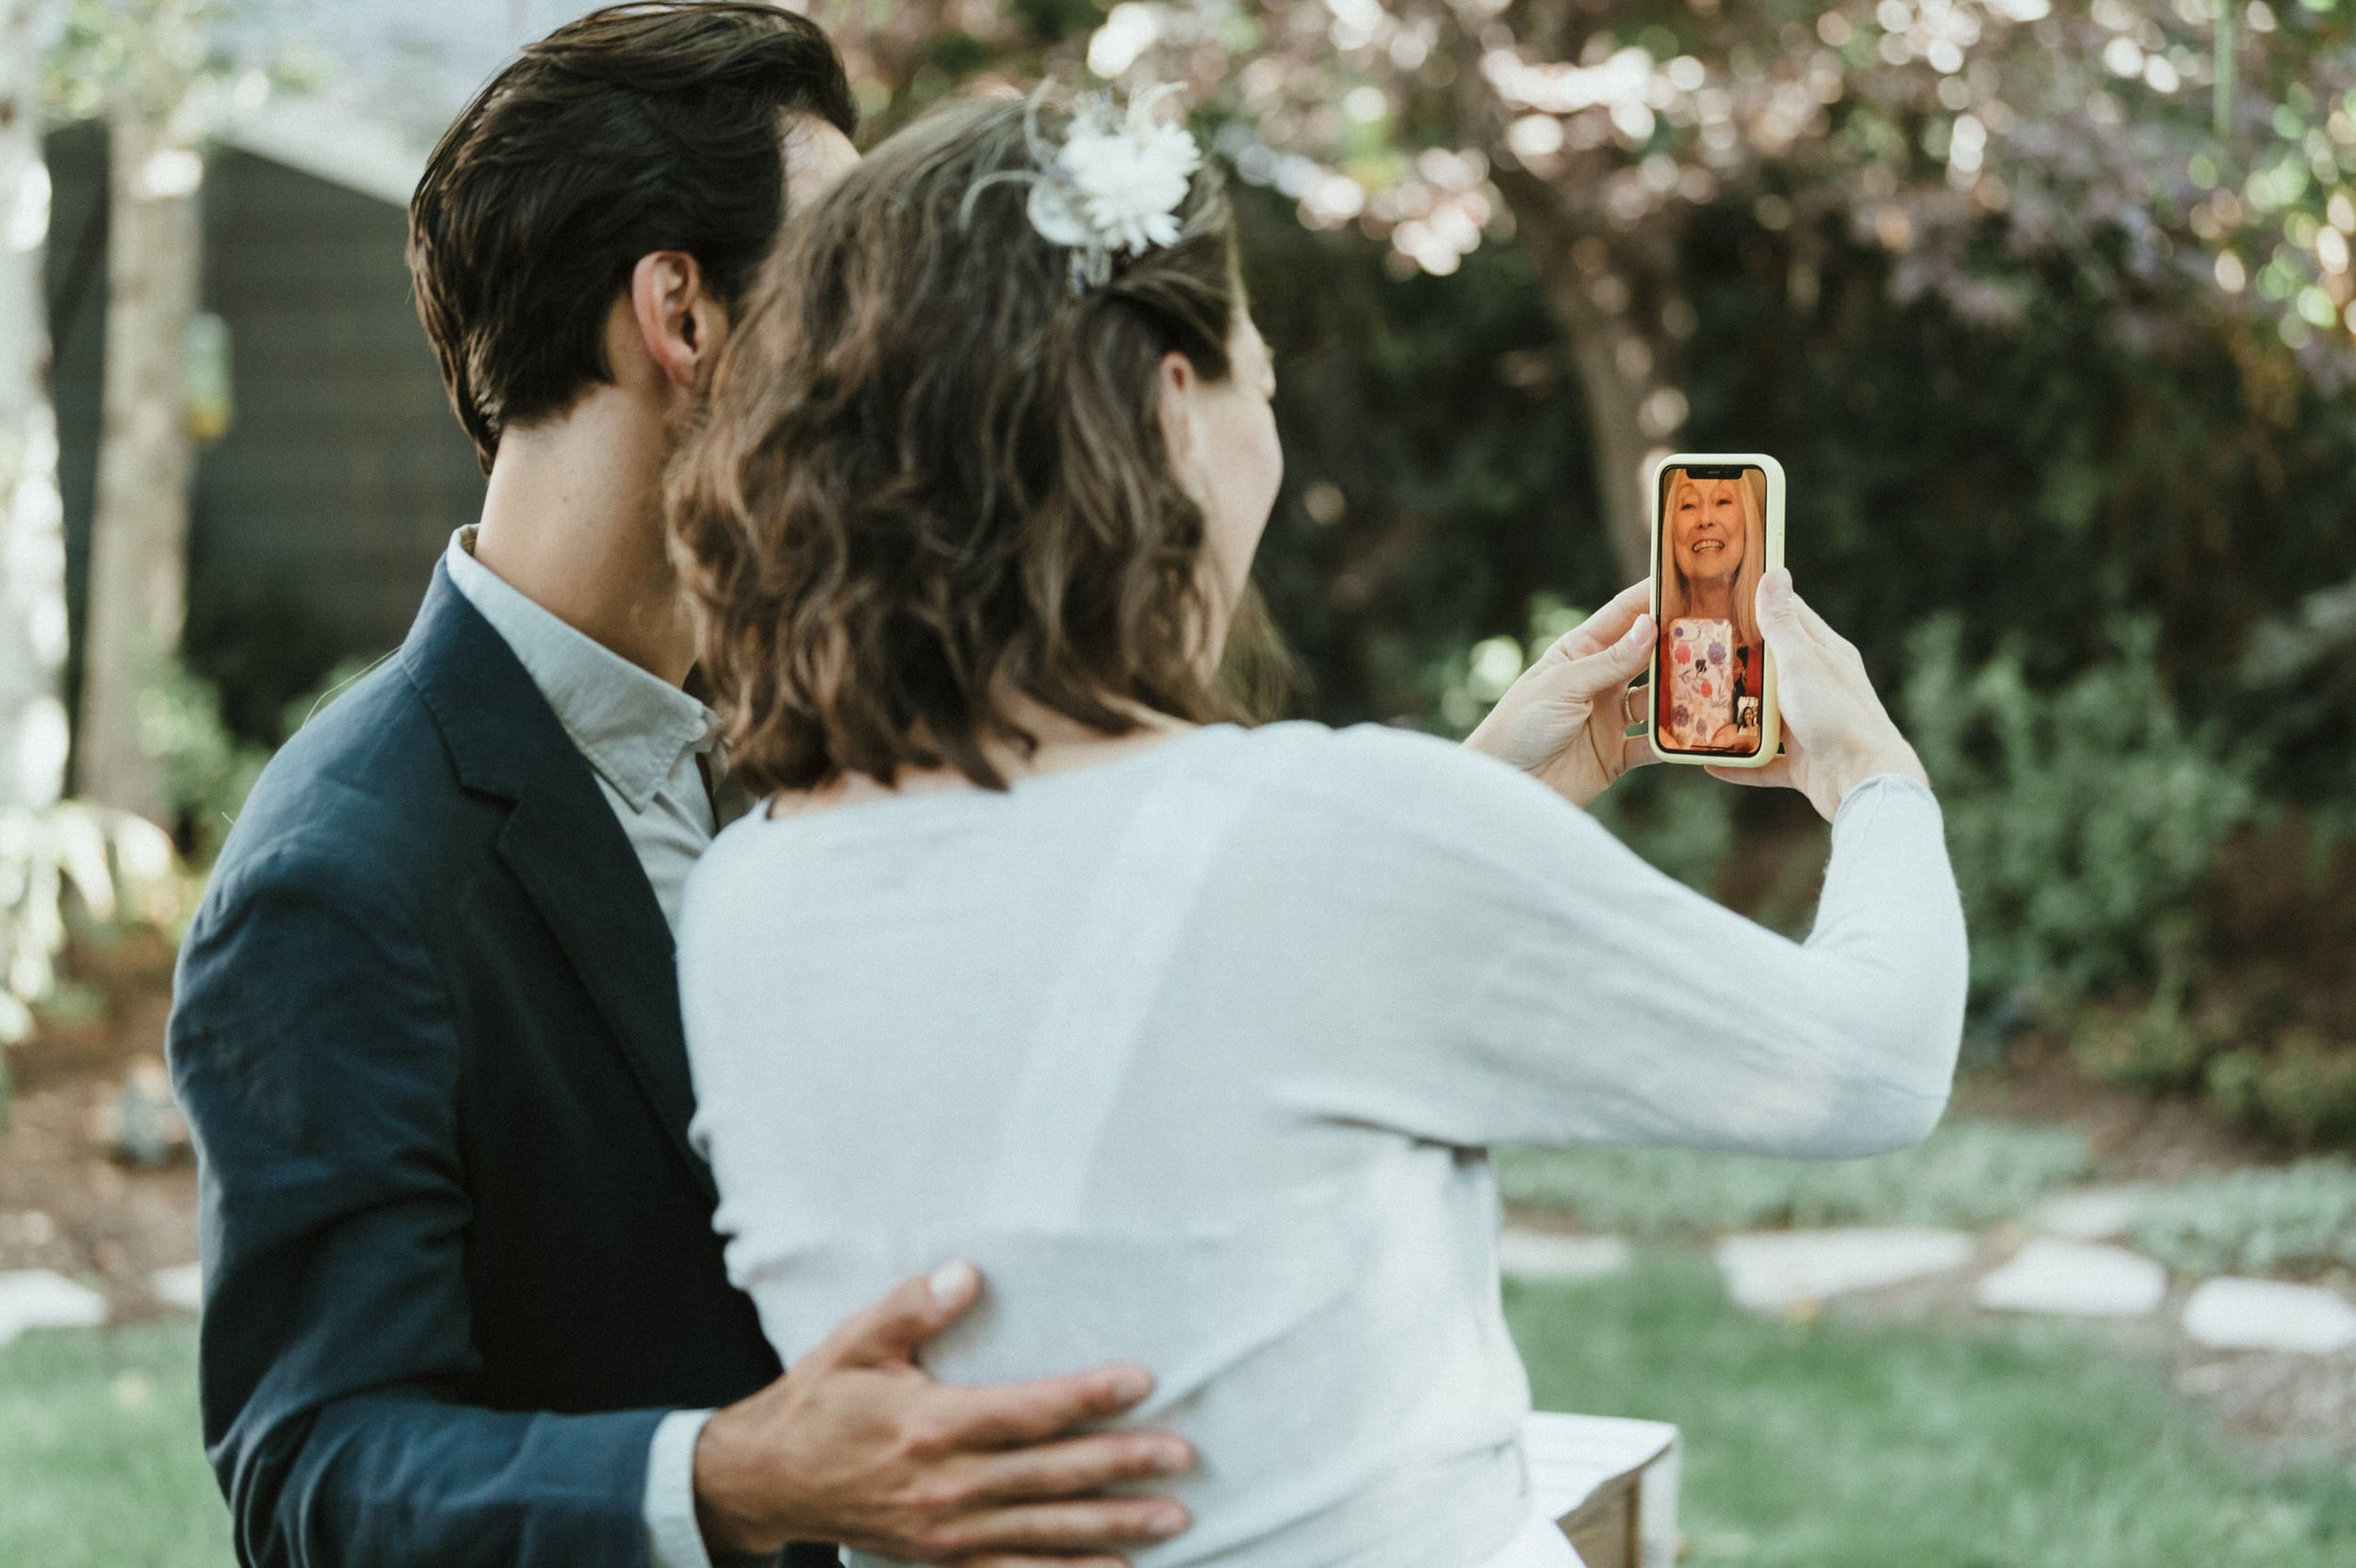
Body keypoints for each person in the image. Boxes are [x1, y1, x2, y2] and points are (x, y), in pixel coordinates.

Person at [667, 93, 1970, 1568]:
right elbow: (1871, 1063)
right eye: (1258, 383)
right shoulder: (1334, 841)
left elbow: (1152, 1028)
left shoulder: (742, 895)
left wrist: (1471, 793)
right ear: (1171, 408)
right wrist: (1869, 769)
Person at [166, 10, 1199, 1568]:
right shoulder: (343, 871)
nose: (893, 349)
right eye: (844, 283)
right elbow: (317, 1466)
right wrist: (724, 1475)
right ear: (683, 313)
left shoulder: (832, 727)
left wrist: (1480, 794)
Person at [1655, 466, 1767, 752]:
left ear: (1748, 524)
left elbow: (1752, 716)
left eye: (1723, 501)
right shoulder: (1653, 644)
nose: (1705, 519)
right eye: (1689, 505)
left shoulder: (1764, 648)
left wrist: (1754, 737)